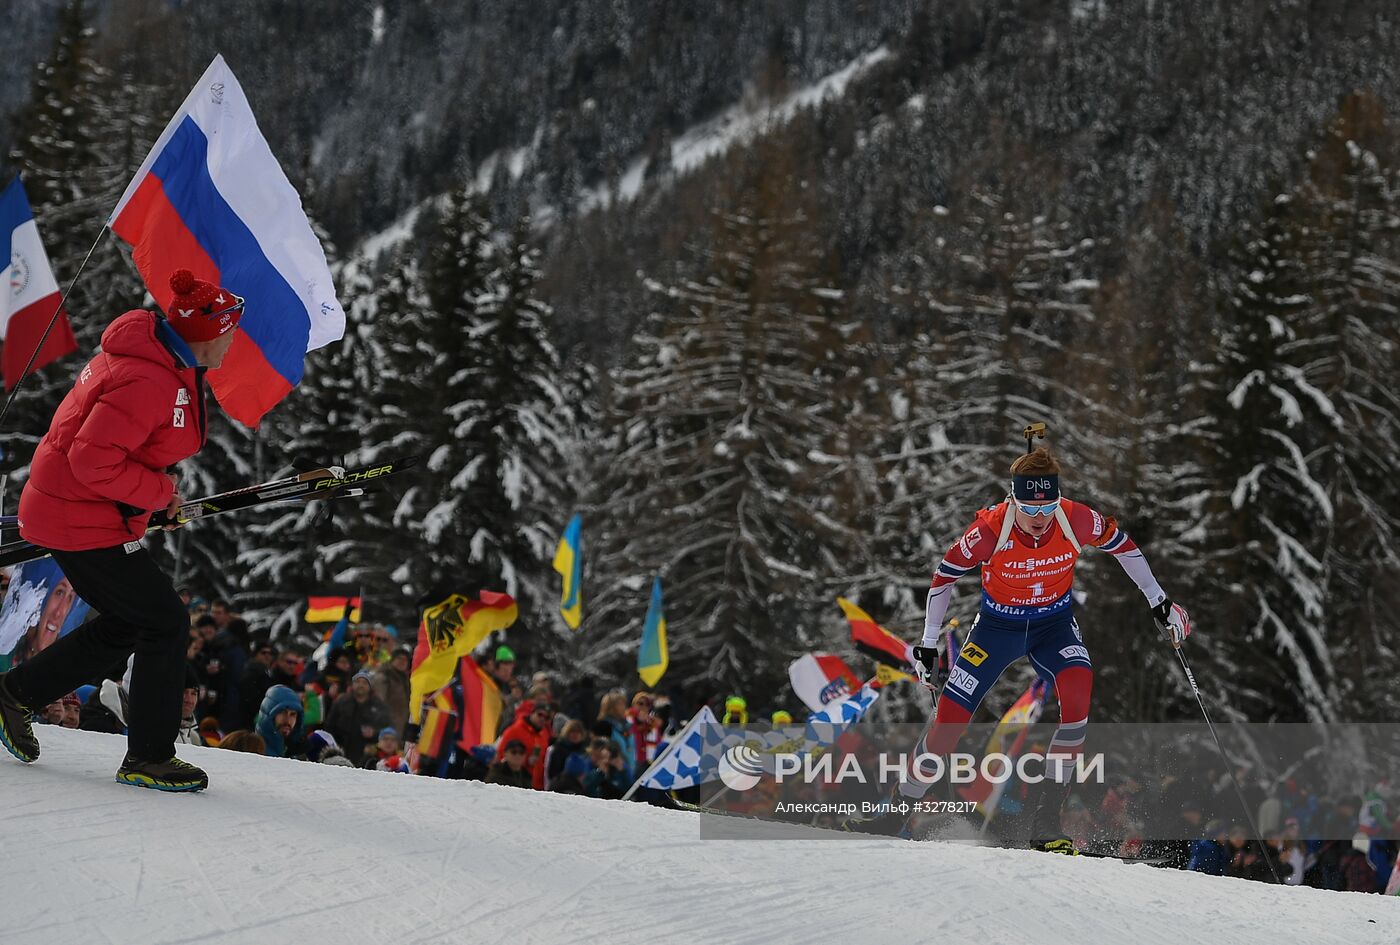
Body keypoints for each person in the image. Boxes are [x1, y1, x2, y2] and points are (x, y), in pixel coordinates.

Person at [851, 443, 1191, 853]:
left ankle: (1047, 823)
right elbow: (943, 578)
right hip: (996, 630)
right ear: (1013, 500)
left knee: (1078, 698)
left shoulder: (1076, 518)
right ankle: (897, 810)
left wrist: (1159, 599)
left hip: (1054, 626)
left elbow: (1124, 546)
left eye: (1047, 509)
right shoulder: (991, 529)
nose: (1038, 519)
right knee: (949, 726)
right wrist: (927, 642)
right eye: (1029, 510)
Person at [0, 269, 244, 792]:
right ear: (204, 334)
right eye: (228, 331)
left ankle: (15, 694)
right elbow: (92, 461)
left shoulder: (161, 360)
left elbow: (109, 455)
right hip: (74, 514)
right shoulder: (149, 378)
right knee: (165, 621)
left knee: (132, 622)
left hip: (79, 509)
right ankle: (149, 757)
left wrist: (149, 501)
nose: (232, 341)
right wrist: (159, 495)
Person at [325, 670, 391, 765]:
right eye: (357, 682)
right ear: (352, 684)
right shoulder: (341, 702)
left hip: (366, 756)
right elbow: (330, 725)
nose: (361, 685)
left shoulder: (379, 706)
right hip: (341, 751)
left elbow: (386, 729)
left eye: (364, 682)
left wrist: (374, 734)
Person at [497, 699, 553, 790]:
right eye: (540, 714)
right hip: (516, 784)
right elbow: (501, 755)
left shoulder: (544, 735)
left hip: (537, 787)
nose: (542, 719)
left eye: (546, 718)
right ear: (532, 713)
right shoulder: (514, 730)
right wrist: (525, 760)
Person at [255, 685, 306, 758]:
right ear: (269, 715)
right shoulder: (252, 750)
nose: (288, 720)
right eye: (282, 712)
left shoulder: (298, 752)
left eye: (293, 714)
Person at [372, 646, 412, 737]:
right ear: (392, 660)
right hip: (387, 727)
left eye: (405, 660)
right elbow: (379, 703)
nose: (402, 662)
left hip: (402, 726)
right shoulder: (383, 677)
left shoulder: (406, 679)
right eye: (399, 658)